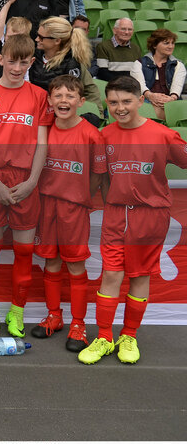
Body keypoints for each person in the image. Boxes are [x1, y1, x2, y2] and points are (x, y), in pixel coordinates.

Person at [79, 76, 187, 365]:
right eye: (113, 102)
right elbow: (98, 176)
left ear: (141, 101)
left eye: (126, 101)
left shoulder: (163, 135)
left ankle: (129, 335)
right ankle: (104, 336)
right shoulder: (105, 135)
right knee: (111, 274)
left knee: (139, 276)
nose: (120, 108)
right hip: (115, 214)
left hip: (150, 217)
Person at [0, 34, 52, 338]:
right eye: (12, 60)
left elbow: (42, 143)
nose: (17, 67)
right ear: (1, 58)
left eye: (24, 61)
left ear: (32, 62)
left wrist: (32, 181)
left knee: (24, 253)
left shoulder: (39, 96)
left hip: (26, 181)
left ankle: (17, 313)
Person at [32, 75, 106, 352]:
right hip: (46, 205)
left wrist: (81, 198)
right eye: (58, 96)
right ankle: (54, 316)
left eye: (70, 96)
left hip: (73, 209)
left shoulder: (90, 134)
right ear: (50, 101)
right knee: (50, 262)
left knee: (75, 265)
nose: (64, 101)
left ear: (81, 101)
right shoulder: (45, 129)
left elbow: (98, 174)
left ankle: (78, 324)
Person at [131, 28, 186, 122]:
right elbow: (140, 86)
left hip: (170, 100)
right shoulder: (139, 63)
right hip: (146, 99)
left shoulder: (178, 65)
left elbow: (177, 87)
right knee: (150, 108)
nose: (170, 46)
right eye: (166, 43)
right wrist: (151, 96)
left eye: (172, 43)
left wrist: (171, 98)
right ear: (155, 45)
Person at [95, 18, 142, 82]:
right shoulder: (103, 47)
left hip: (132, 86)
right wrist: (122, 84)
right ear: (114, 30)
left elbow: (138, 72)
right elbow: (102, 73)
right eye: (123, 29)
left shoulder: (136, 48)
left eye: (130, 29)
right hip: (112, 86)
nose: (127, 32)